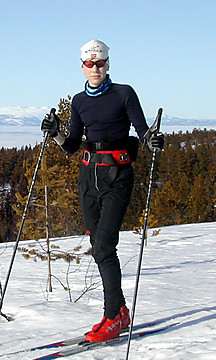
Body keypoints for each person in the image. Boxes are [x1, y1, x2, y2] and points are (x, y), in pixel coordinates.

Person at [41, 39, 164, 342]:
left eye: (100, 63)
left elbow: (143, 131)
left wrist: (152, 142)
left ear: (108, 64)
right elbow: (72, 145)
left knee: (106, 245)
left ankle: (113, 317)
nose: (95, 68)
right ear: (82, 66)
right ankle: (118, 312)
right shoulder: (79, 101)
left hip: (117, 176)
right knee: (98, 247)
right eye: (89, 64)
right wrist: (55, 132)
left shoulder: (124, 93)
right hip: (88, 177)